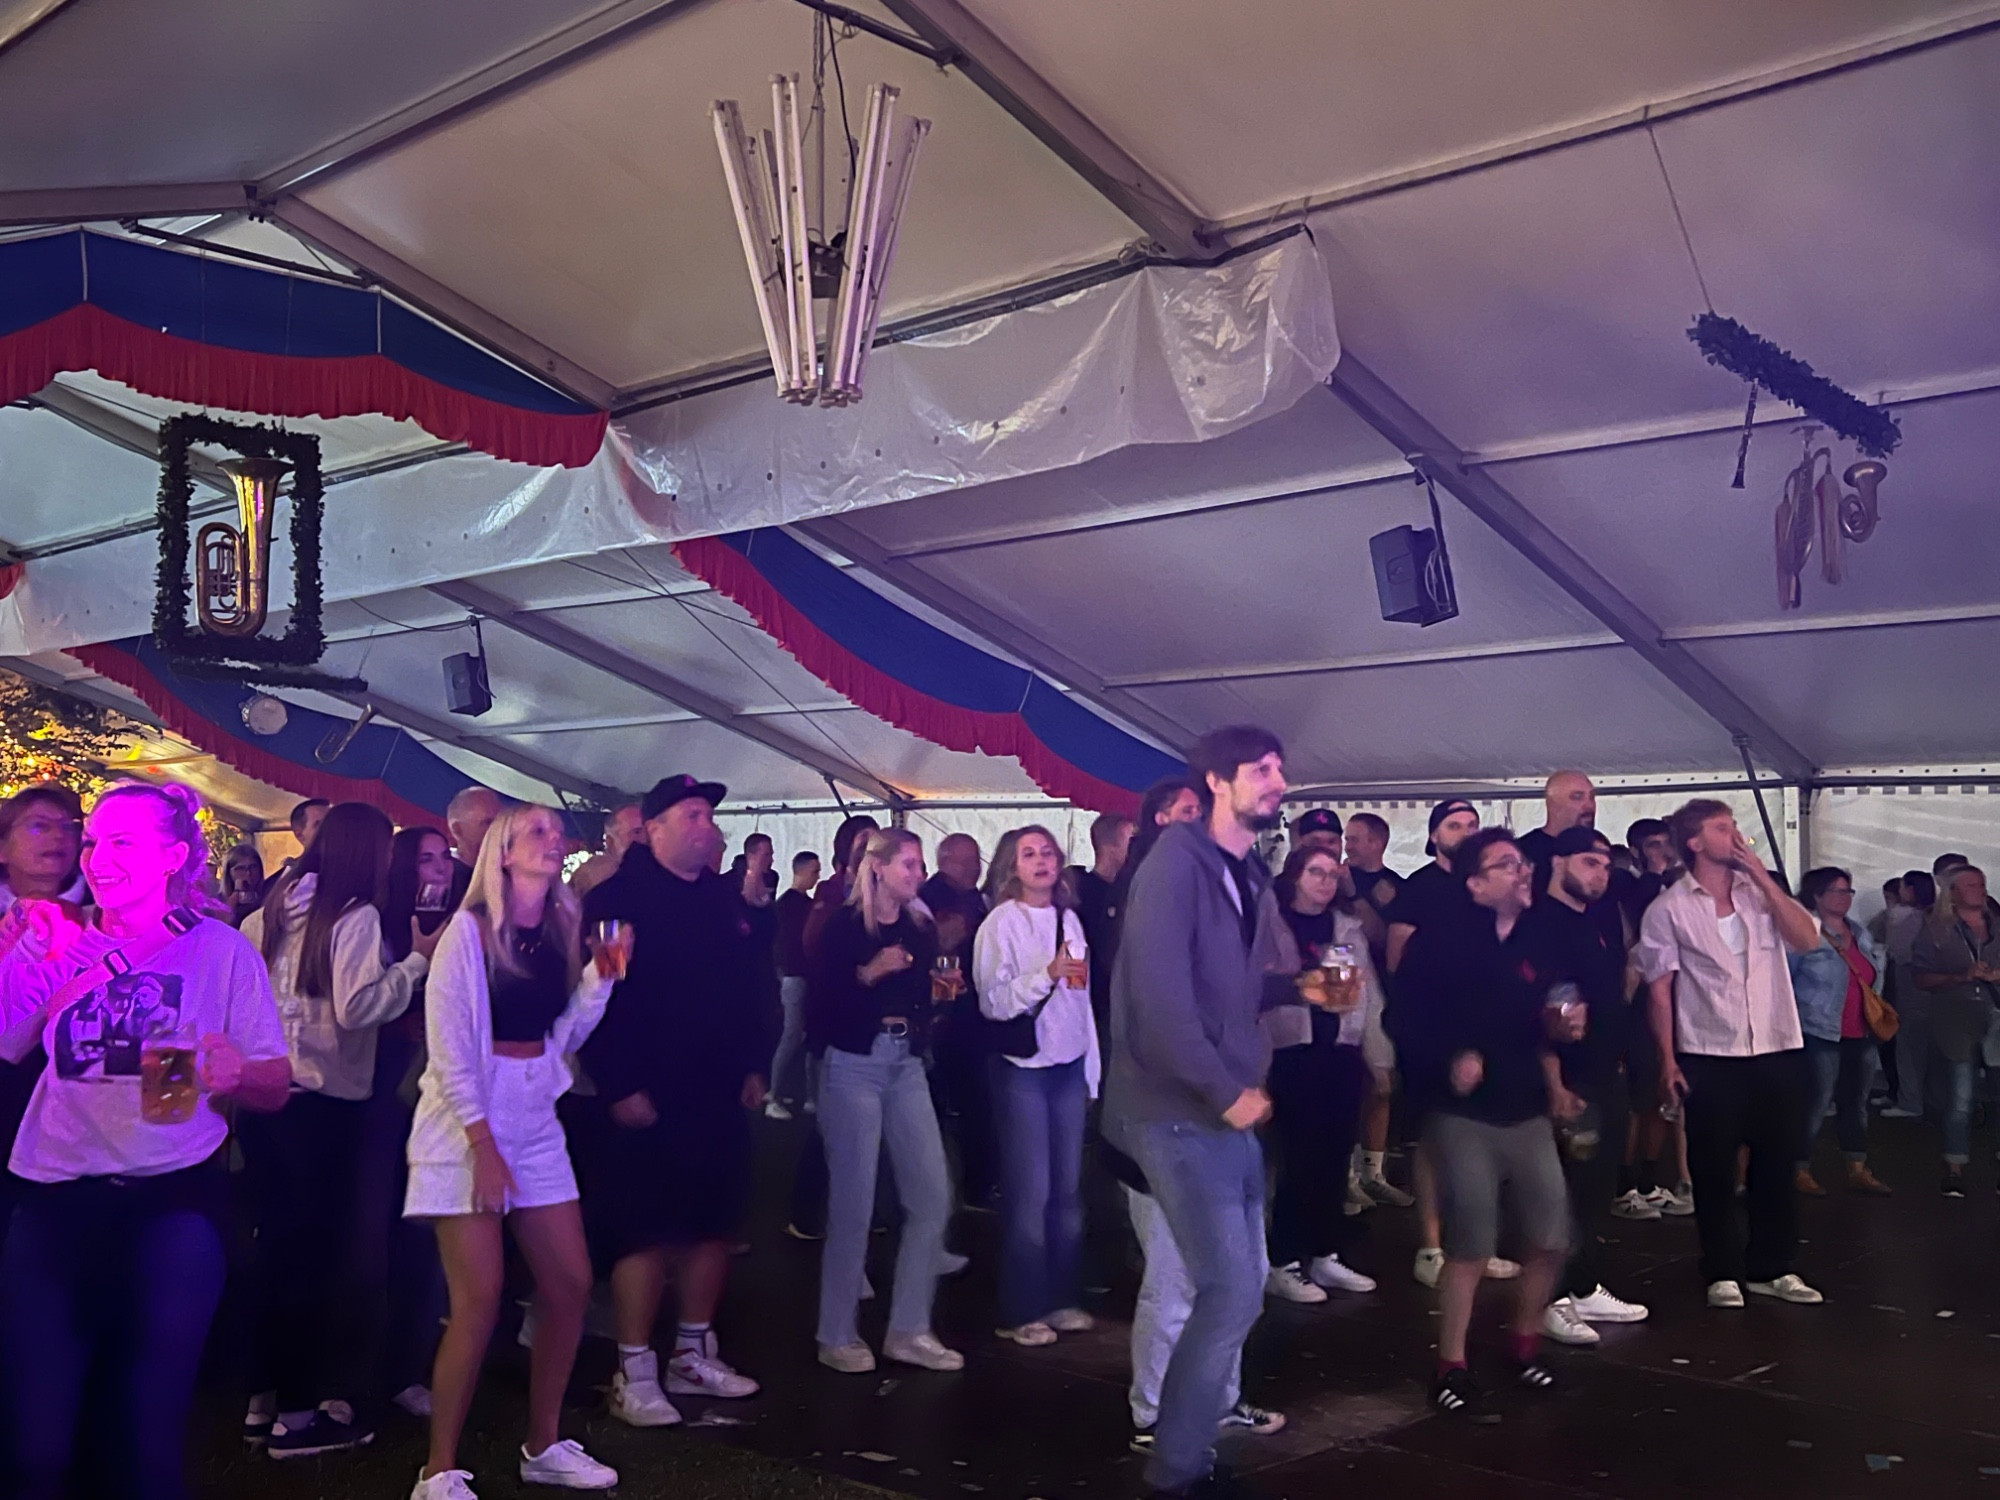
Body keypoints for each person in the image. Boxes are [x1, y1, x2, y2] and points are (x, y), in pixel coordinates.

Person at [0, 781, 292, 1500]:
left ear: (173, 856)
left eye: (123, 842)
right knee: (35, 1441)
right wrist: (18, 963)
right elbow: (9, 1042)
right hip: (54, 1197)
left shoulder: (219, 951)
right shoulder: (56, 936)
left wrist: (236, 1074)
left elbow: (274, 1083)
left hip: (171, 1200)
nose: (98, 857)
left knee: (146, 1434)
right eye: (95, 840)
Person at [403, 803, 622, 1499]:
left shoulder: (559, 929)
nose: (554, 840)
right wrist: (483, 1145)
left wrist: (601, 978)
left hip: (533, 1112)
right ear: (503, 851)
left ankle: (543, 1444)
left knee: (571, 1285)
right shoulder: (468, 933)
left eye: (558, 832)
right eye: (538, 832)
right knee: (480, 1298)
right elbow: (449, 1050)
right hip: (463, 1119)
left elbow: (563, 1037)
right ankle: (438, 1470)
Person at [1104, 725, 1285, 1498]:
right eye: (1261, 770)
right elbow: (1160, 1003)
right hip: (1177, 1109)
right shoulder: (1174, 865)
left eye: (1280, 769)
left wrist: (1299, 989)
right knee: (1228, 1289)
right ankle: (1178, 1465)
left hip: (1221, 1106)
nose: (1278, 781)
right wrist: (1225, 1089)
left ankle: (1188, 1453)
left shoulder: (1243, 872)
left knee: (1244, 1283)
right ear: (1216, 781)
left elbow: (1229, 988)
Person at [239, 803, 438, 1457]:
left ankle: (261, 1399)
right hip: (323, 1108)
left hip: (267, 1100)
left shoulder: (271, 910)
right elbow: (357, 1008)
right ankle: (297, 1419)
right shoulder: (353, 917)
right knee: (313, 1261)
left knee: (275, 1252)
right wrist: (415, 963)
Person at [578, 775, 772, 1425]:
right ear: (652, 828)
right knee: (646, 1231)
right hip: (647, 1094)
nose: (705, 825)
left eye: (709, 816)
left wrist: (755, 1062)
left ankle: (692, 1353)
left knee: (714, 1223)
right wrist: (618, 1083)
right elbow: (599, 1000)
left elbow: (753, 988)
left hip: (717, 1090)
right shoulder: (615, 900)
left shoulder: (722, 899)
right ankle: (634, 1369)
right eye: (691, 815)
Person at [1391, 828, 1580, 1413]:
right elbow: (1403, 1019)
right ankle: (1452, 1364)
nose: (1523, 872)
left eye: (1523, 863)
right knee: (1471, 1241)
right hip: (1462, 1112)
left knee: (1551, 1237)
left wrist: (1562, 1032)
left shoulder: (1539, 938)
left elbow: (1549, 1013)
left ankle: (1524, 1344)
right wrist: (1451, 1059)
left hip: (1526, 1107)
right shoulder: (1439, 943)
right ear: (1475, 884)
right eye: (1507, 865)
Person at [1638, 799, 1824, 1309]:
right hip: (1709, 1049)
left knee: (1777, 1162)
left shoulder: (1759, 894)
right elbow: (1660, 990)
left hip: (1775, 1044)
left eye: (1734, 826)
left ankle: (1773, 1265)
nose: (1735, 836)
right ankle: (1721, 1267)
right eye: (1722, 828)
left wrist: (1762, 877)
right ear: (1695, 842)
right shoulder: (1669, 908)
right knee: (1714, 1167)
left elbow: (1808, 939)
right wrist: (1668, 1059)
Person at [810, 828, 962, 1375]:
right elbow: (820, 1004)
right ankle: (836, 1333)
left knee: (932, 1195)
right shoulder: (845, 926)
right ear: (878, 868)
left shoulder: (920, 927)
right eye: (909, 864)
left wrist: (944, 991)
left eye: (919, 865)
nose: (919, 874)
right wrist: (868, 973)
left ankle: (909, 1329)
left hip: (905, 1061)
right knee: (854, 1202)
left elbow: (928, 993)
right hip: (855, 1062)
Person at [1522, 829, 1650, 1347]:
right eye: (1589, 863)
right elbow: (1537, 1012)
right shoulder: (1539, 924)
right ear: (1558, 862)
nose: (1600, 873)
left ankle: (1583, 1283)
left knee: (1595, 1185)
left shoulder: (1594, 920)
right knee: (1560, 1190)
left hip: (1601, 1070)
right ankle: (1548, 1298)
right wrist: (1554, 1082)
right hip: (1566, 1077)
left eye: (1604, 865)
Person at [975, 826, 1099, 1346]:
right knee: (1032, 1192)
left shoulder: (1070, 918)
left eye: (1048, 852)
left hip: (1068, 1064)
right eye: (1029, 854)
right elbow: (993, 1002)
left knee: (1068, 1191)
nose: (1041, 861)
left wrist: (1092, 1067)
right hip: (1023, 1068)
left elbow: (1082, 1000)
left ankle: (1061, 1296)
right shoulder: (1000, 923)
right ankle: (1020, 1308)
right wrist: (1045, 974)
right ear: (1012, 866)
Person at [1386, 799, 1514, 1288]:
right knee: (1434, 1137)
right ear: (1434, 835)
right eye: (1454, 825)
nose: (1464, 832)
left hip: (1483, 1032)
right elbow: (1398, 961)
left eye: (1472, 824)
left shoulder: (1490, 892)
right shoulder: (1419, 889)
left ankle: (1478, 1242)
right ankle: (1432, 1245)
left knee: (1484, 1137)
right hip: (1431, 1030)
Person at [1258, 842, 1382, 1305]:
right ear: (1294, 875)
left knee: (1335, 1152)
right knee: (1297, 1156)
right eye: (1315, 872)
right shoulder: (1272, 921)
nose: (1325, 882)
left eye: (1332, 875)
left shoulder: (1346, 925)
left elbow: (1369, 991)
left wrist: (1376, 1052)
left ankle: (1325, 1250)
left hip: (1340, 1047)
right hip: (1290, 1050)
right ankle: (1284, 1257)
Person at [369, 825, 458, 1419]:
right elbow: (369, 1008)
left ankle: (412, 1360)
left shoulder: (465, 923)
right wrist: (420, 960)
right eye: (427, 859)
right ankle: (386, 1364)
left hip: (440, 1086)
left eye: (444, 857)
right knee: (393, 1226)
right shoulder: (379, 924)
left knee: (427, 1227)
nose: (441, 868)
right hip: (391, 1087)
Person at [0, 784, 85, 1257]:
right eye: (39, 826)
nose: (58, 837)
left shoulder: (102, 918)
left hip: (70, 1105)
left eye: (68, 828)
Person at [1788, 868, 1890, 1197]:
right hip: (1819, 1029)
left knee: (1856, 1101)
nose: (1844, 898)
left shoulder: (1859, 933)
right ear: (1816, 895)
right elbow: (1785, 979)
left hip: (1861, 1029)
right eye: (1836, 891)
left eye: (1848, 892)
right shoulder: (1804, 933)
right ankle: (1799, 1167)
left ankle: (1857, 1166)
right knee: (1815, 1101)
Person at [1910, 864, 2000, 1196]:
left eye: (1982, 884)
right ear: (1953, 893)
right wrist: (1961, 977)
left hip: (1996, 1017)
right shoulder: (1936, 932)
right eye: (1972, 885)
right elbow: (1920, 978)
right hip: (1957, 1020)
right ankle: (1955, 1167)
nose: (1981, 889)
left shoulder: (1997, 926)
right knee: (1961, 1098)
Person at [922, 832, 997, 1211]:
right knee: (948, 1106)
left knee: (975, 1104)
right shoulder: (930, 899)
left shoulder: (975, 899)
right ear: (944, 861)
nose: (973, 868)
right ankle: (941, 1193)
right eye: (965, 861)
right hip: (944, 1018)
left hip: (972, 1015)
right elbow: (932, 954)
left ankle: (976, 1186)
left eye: (976, 860)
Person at [768, 849, 823, 1118]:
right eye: (814, 871)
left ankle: (807, 1095)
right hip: (794, 977)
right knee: (791, 1036)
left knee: (808, 1034)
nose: (817, 876)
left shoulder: (804, 904)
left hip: (802, 977)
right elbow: (786, 946)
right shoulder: (788, 906)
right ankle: (774, 1094)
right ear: (800, 871)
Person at [1071, 813, 1135, 1042]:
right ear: (1109, 847)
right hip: (1095, 1000)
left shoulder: (1132, 888)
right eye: (1130, 840)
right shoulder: (1082, 893)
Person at [1881, 870, 1936, 1118]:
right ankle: (1926, 1098)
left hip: (1909, 985)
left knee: (1907, 1045)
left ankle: (1909, 1101)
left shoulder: (1904, 916)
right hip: (1934, 988)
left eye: (1902, 887)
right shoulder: (1936, 916)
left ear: (1911, 890)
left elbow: (1898, 952)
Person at [1513, 771, 1596, 897]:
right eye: (1577, 797)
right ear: (1552, 804)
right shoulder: (1522, 852)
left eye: (1592, 797)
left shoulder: (1599, 849)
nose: (1589, 805)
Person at [444, 786, 504, 909]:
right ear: (458, 830)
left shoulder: (509, 875)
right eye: (487, 822)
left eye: (501, 822)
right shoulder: (443, 878)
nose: (498, 829)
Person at [568, 802, 641, 901]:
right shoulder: (597, 874)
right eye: (637, 832)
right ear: (610, 842)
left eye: (649, 831)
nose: (646, 838)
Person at [223, 842, 268, 926]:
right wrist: (237, 892)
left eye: (253, 867)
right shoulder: (218, 900)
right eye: (240, 868)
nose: (248, 873)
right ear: (229, 872)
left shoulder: (269, 893)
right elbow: (224, 922)